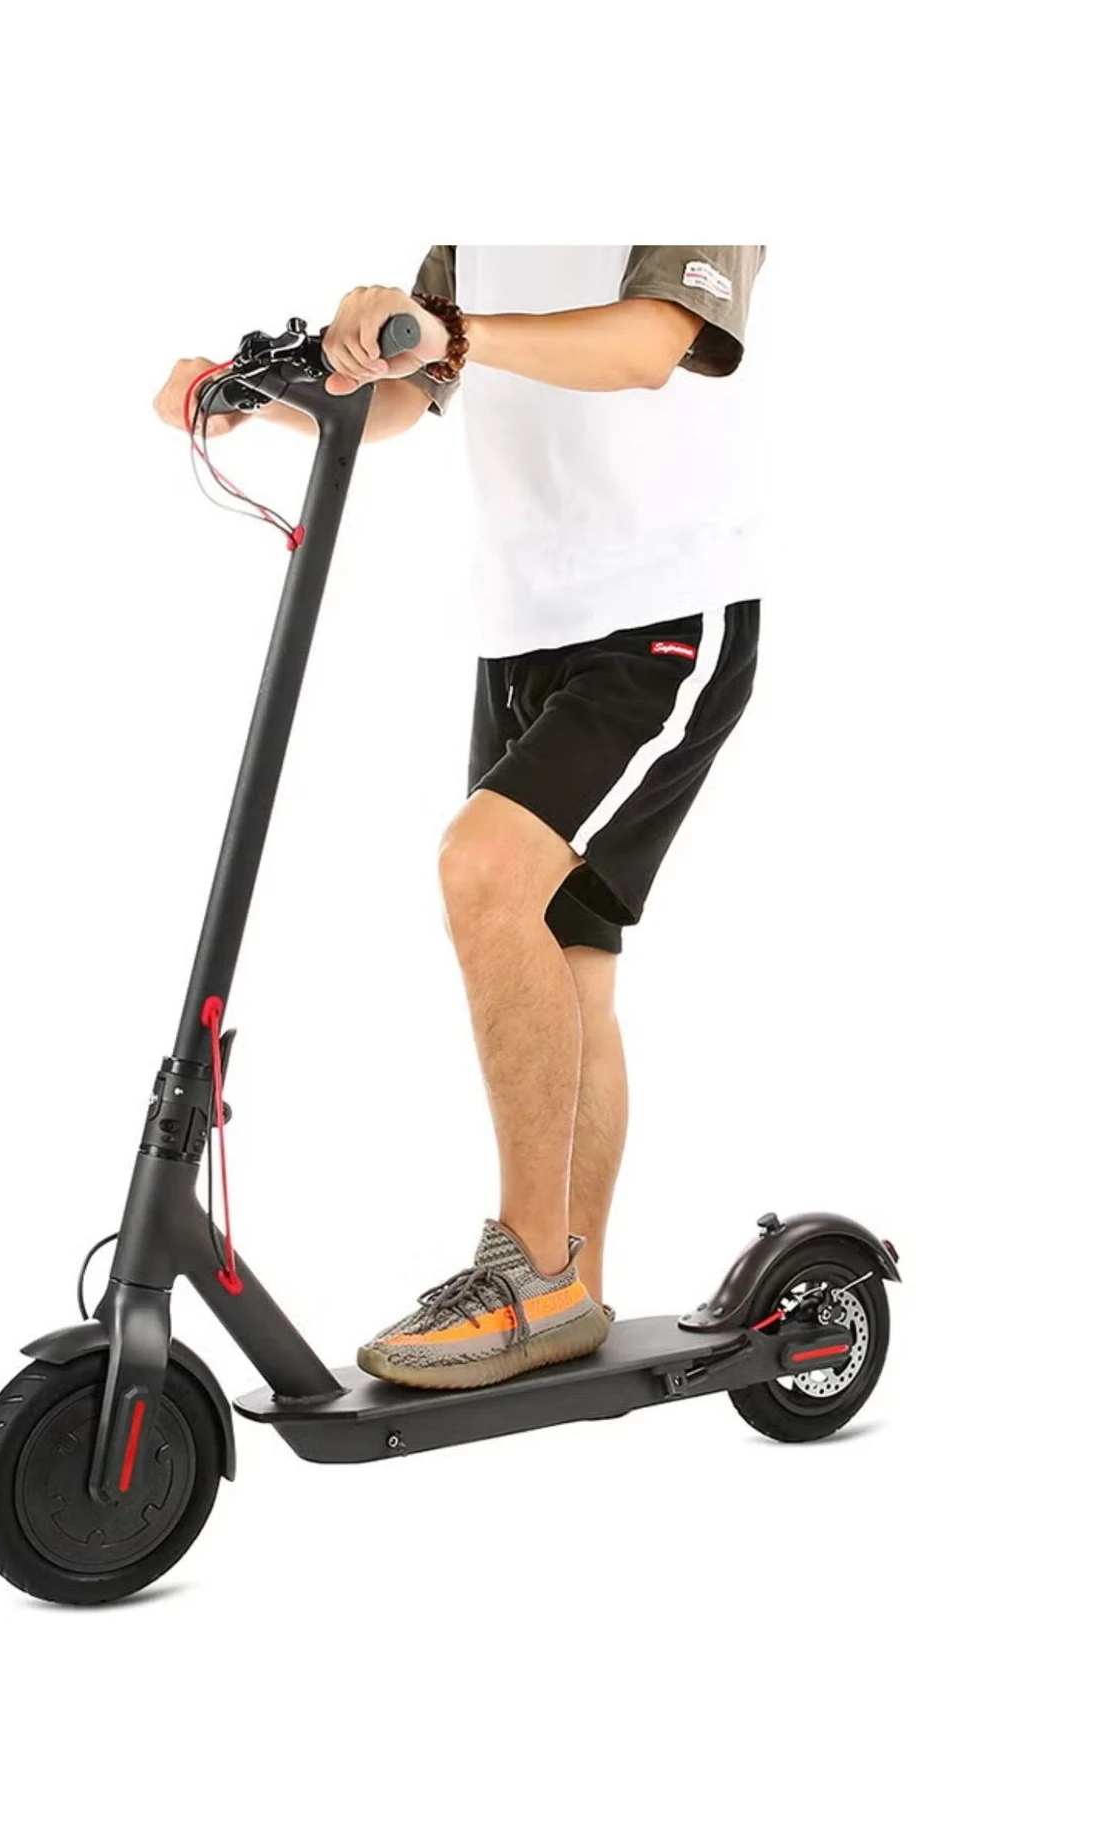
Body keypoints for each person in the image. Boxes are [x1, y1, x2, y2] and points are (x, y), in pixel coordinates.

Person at [155, 244, 765, 1391]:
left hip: (666, 614)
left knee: (482, 872)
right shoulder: (474, 217)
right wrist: (259, 400)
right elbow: (412, 389)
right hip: (524, 627)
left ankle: (527, 1270)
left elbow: (650, 343)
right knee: (566, 957)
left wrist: (451, 330)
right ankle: (568, 1298)